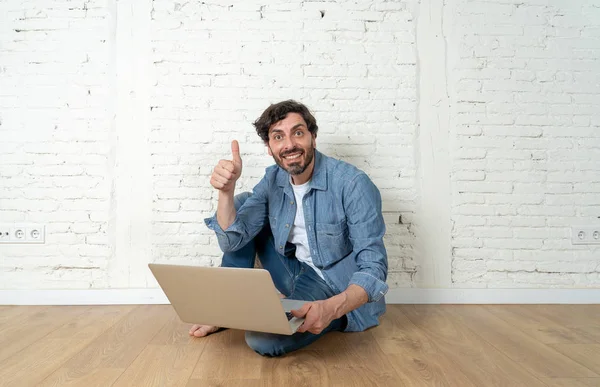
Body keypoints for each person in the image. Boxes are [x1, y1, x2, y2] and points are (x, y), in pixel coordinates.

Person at [189, 100, 388, 357]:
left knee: (263, 340)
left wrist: (331, 308)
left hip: (333, 286)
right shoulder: (273, 178)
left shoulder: (352, 184)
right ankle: (228, 308)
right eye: (278, 136)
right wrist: (226, 192)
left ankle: (333, 317)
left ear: (313, 137)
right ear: (269, 147)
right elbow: (232, 241)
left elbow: (374, 269)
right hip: (293, 268)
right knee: (241, 203)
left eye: (298, 132)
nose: (290, 144)